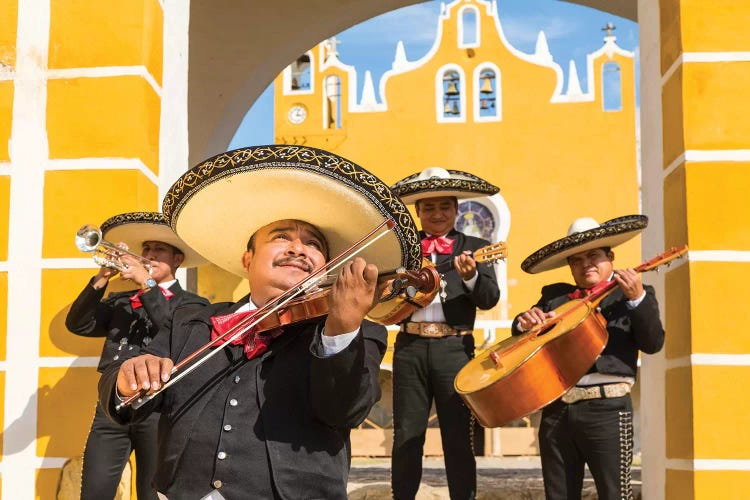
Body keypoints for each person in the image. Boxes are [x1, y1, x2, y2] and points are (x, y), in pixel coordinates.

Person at [97, 145, 422, 500]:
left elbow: (345, 410)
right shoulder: (191, 320)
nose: (298, 249)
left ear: (327, 269)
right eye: (282, 237)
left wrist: (342, 330)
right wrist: (127, 380)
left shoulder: (360, 330)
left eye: (313, 244)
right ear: (247, 258)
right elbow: (122, 398)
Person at [512, 215, 665, 500]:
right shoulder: (555, 297)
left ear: (611, 257)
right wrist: (523, 322)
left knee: (614, 494)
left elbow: (653, 342)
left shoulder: (632, 296)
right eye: (576, 260)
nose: (586, 265)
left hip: (607, 409)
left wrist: (637, 299)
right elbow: (522, 334)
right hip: (556, 409)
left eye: (593, 255)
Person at [66, 211, 209, 500]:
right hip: (112, 407)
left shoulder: (193, 303)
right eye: (146, 249)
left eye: (159, 250)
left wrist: (148, 285)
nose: (149, 255)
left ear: (177, 260)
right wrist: (102, 278)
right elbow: (78, 324)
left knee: (152, 492)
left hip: (158, 406)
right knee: (94, 491)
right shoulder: (121, 300)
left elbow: (177, 333)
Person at [389, 167, 501, 500]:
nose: (437, 214)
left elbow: (490, 299)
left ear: (456, 210)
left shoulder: (477, 247)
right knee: (407, 435)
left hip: (455, 348)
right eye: (429, 208)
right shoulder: (402, 250)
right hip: (409, 346)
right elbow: (385, 295)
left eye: (444, 207)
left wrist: (470, 279)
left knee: (458, 437)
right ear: (418, 212)